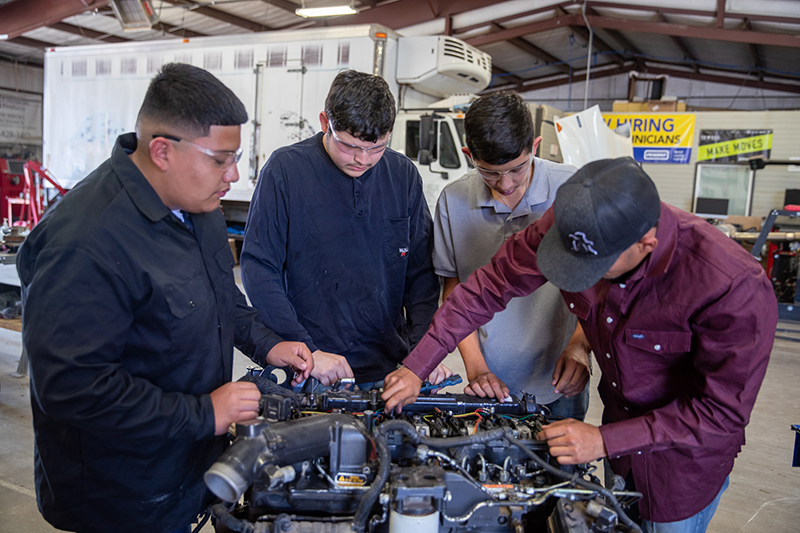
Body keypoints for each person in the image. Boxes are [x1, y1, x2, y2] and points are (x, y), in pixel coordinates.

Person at [382, 157, 777, 530]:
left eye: (591, 270)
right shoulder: (572, 225)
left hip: (681, 466)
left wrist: (605, 440)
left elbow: (720, 413)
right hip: (617, 450)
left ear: (646, 245)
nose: (576, 278)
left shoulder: (731, 286)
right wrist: (417, 366)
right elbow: (486, 289)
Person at [18, 63, 314, 533]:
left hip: (186, 465)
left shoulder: (199, 209)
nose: (234, 175)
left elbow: (220, 298)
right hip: (119, 493)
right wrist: (205, 412)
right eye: (221, 159)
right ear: (162, 151)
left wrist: (267, 343)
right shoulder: (86, 242)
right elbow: (72, 388)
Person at [241, 69, 446, 390]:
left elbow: (421, 274)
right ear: (325, 123)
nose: (363, 160)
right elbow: (259, 268)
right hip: (311, 369)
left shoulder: (402, 175)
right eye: (350, 146)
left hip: (389, 368)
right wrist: (306, 349)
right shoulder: (286, 171)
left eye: (376, 147)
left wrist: (422, 353)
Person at [434, 91, 589, 417]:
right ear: (468, 155)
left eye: (517, 169)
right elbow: (454, 293)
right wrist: (476, 368)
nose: (505, 184)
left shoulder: (571, 189)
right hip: (490, 382)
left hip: (561, 378)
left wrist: (580, 345)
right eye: (489, 172)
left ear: (534, 146)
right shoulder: (453, 201)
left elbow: (598, 286)